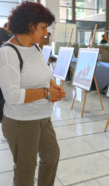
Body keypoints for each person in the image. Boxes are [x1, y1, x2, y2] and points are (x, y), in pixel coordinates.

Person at [0, 2, 65, 186]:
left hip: (43, 117)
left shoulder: (35, 47)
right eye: (43, 27)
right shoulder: (8, 53)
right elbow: (12, 95)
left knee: (51, 156)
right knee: (25, 170)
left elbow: (42, 75)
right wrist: (46, 93)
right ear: (30, 25)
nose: (46, 33)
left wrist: (53, 86)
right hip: (21, 122)